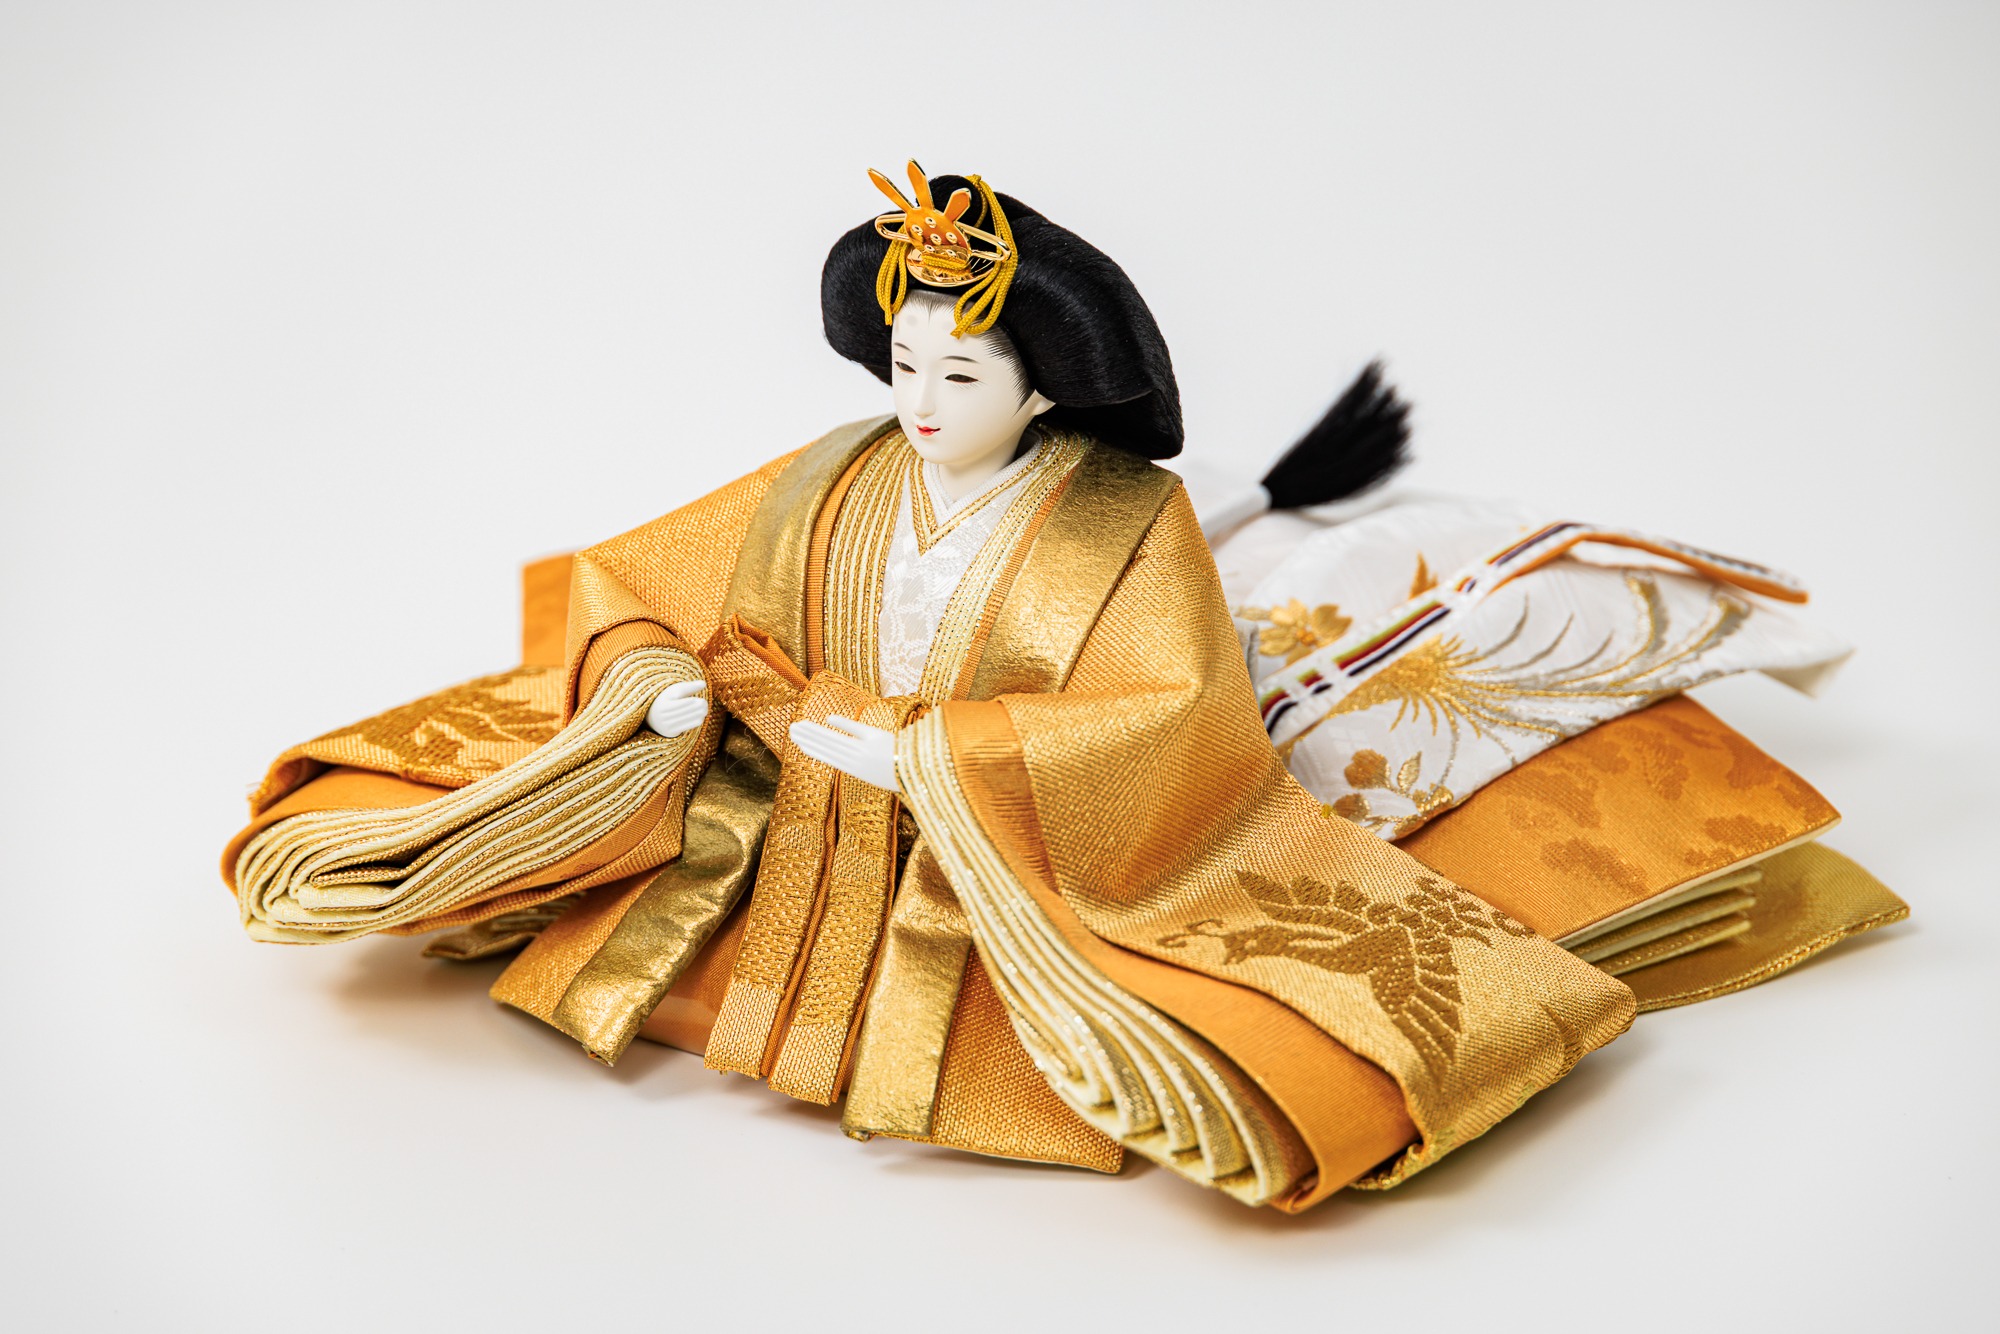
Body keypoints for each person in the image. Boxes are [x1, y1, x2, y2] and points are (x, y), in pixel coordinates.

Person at [220, 163, 1898, 1212]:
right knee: (539, 866)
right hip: (780, 837)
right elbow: (651, 578)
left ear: (1040, 391)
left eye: (960, 373)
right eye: (904, 364)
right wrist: (655, 679)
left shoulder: (1130, 522)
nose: (921, 401)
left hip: (978, 868)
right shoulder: (833, 473)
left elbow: (1167, 712)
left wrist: (934, 751)